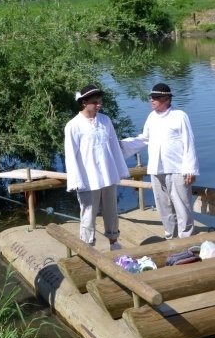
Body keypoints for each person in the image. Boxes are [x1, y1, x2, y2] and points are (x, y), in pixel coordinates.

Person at [121, 82, 199, 239]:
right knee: (163, 206)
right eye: (151, 97)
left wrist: (190, 168)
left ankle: (186, 238)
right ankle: (170, 237)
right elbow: (144, 139)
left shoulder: (180, 116)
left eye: (155, 97)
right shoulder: (151, 117)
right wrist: (122, 145)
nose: (152, 100)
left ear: (166, 99)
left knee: (182, 207)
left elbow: (189, 142)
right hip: (156, 169)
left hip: (177, 169)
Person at [64, 85, 130, 250]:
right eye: (94, 102)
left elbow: (113, 145)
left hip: (107, 174)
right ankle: (88, 247)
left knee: (111, 211)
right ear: (84, 102)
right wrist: (74, 181)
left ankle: (114, 242)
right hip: (87, 179)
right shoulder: (74, 125)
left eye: (100, 101)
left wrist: (120, 171)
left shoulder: (105, 120)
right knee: (88, 213)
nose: (98, 105)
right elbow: (70, 155)